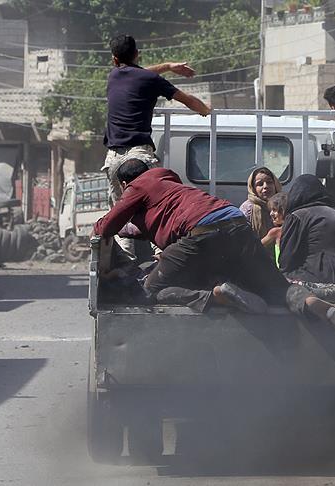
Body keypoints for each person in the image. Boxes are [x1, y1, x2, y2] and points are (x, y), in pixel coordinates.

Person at [93, 159, 290, 314]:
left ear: (124, 184)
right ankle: (312, 302)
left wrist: (98, 229)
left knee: (151, 289)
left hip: (204, 233)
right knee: (276, 287)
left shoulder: (136, 187)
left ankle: (215, 295)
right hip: (236, 224)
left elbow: (105, 227)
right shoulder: (169, 184)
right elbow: (161, 222)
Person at [103, 34, 211, 255]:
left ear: (114, 59)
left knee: (120, 215)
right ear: (137, 54)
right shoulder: (150, 80)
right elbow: (188, 100)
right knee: (158, 210)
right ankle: (161, 258)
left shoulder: (114, 76)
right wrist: (206, 111)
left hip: (113, 159)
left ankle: (126, 269)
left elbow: (138, 73)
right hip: (139, 155)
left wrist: (168, 66)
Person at [239, 167, 283, 252]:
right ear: (253, 188)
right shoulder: (247, 208)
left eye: (269, 182)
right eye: (260, 184)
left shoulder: (284, 205)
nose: (265, 186)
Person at [262, 192, 288, 267]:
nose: (271, 214)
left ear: (283, 211)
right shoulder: (275, 232)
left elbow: (256, 247)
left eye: (274, 210)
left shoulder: (276, 232)